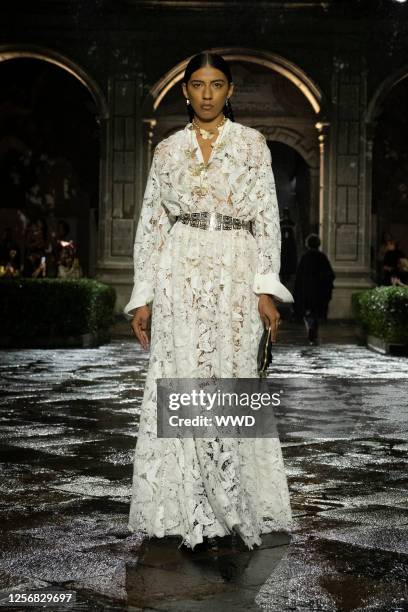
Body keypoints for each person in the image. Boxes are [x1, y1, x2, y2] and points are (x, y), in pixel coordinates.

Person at [123, 52, 294, 551]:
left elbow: (267, 217)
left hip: (237, 271)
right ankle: (185, 507)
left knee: (234, 376)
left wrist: (266, 288)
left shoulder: (252, 145)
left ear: (230, 91)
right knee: (184, 378)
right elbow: (152, 225)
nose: (206, 93)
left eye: (217, 84)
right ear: (185, 91)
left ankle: (235, 505)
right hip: (180, 272)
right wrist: (144, 297)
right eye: (197, 84)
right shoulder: (167, 150)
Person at [294, 233, 335, 344]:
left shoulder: (305, 257)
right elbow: (330, 275)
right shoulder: (322, 257)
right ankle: (313, 330)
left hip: (307, 291)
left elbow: (299, 276)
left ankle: (311, 330)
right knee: (315, 313)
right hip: (319, 291)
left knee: (308, 313)